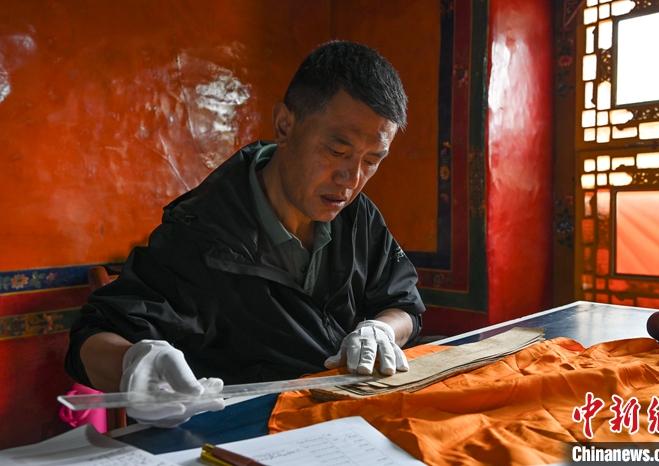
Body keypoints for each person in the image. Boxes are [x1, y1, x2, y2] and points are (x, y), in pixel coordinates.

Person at [65, 40, 425, 427]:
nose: (351, 179)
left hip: (347, 422)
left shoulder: (358, 216)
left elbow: (403, 304)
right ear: (285, 125)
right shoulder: (204, 232)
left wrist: (380, 330)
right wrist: (132, 365)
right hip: (248, 434)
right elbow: (94, 335)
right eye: (337, 151)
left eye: (372, 160)